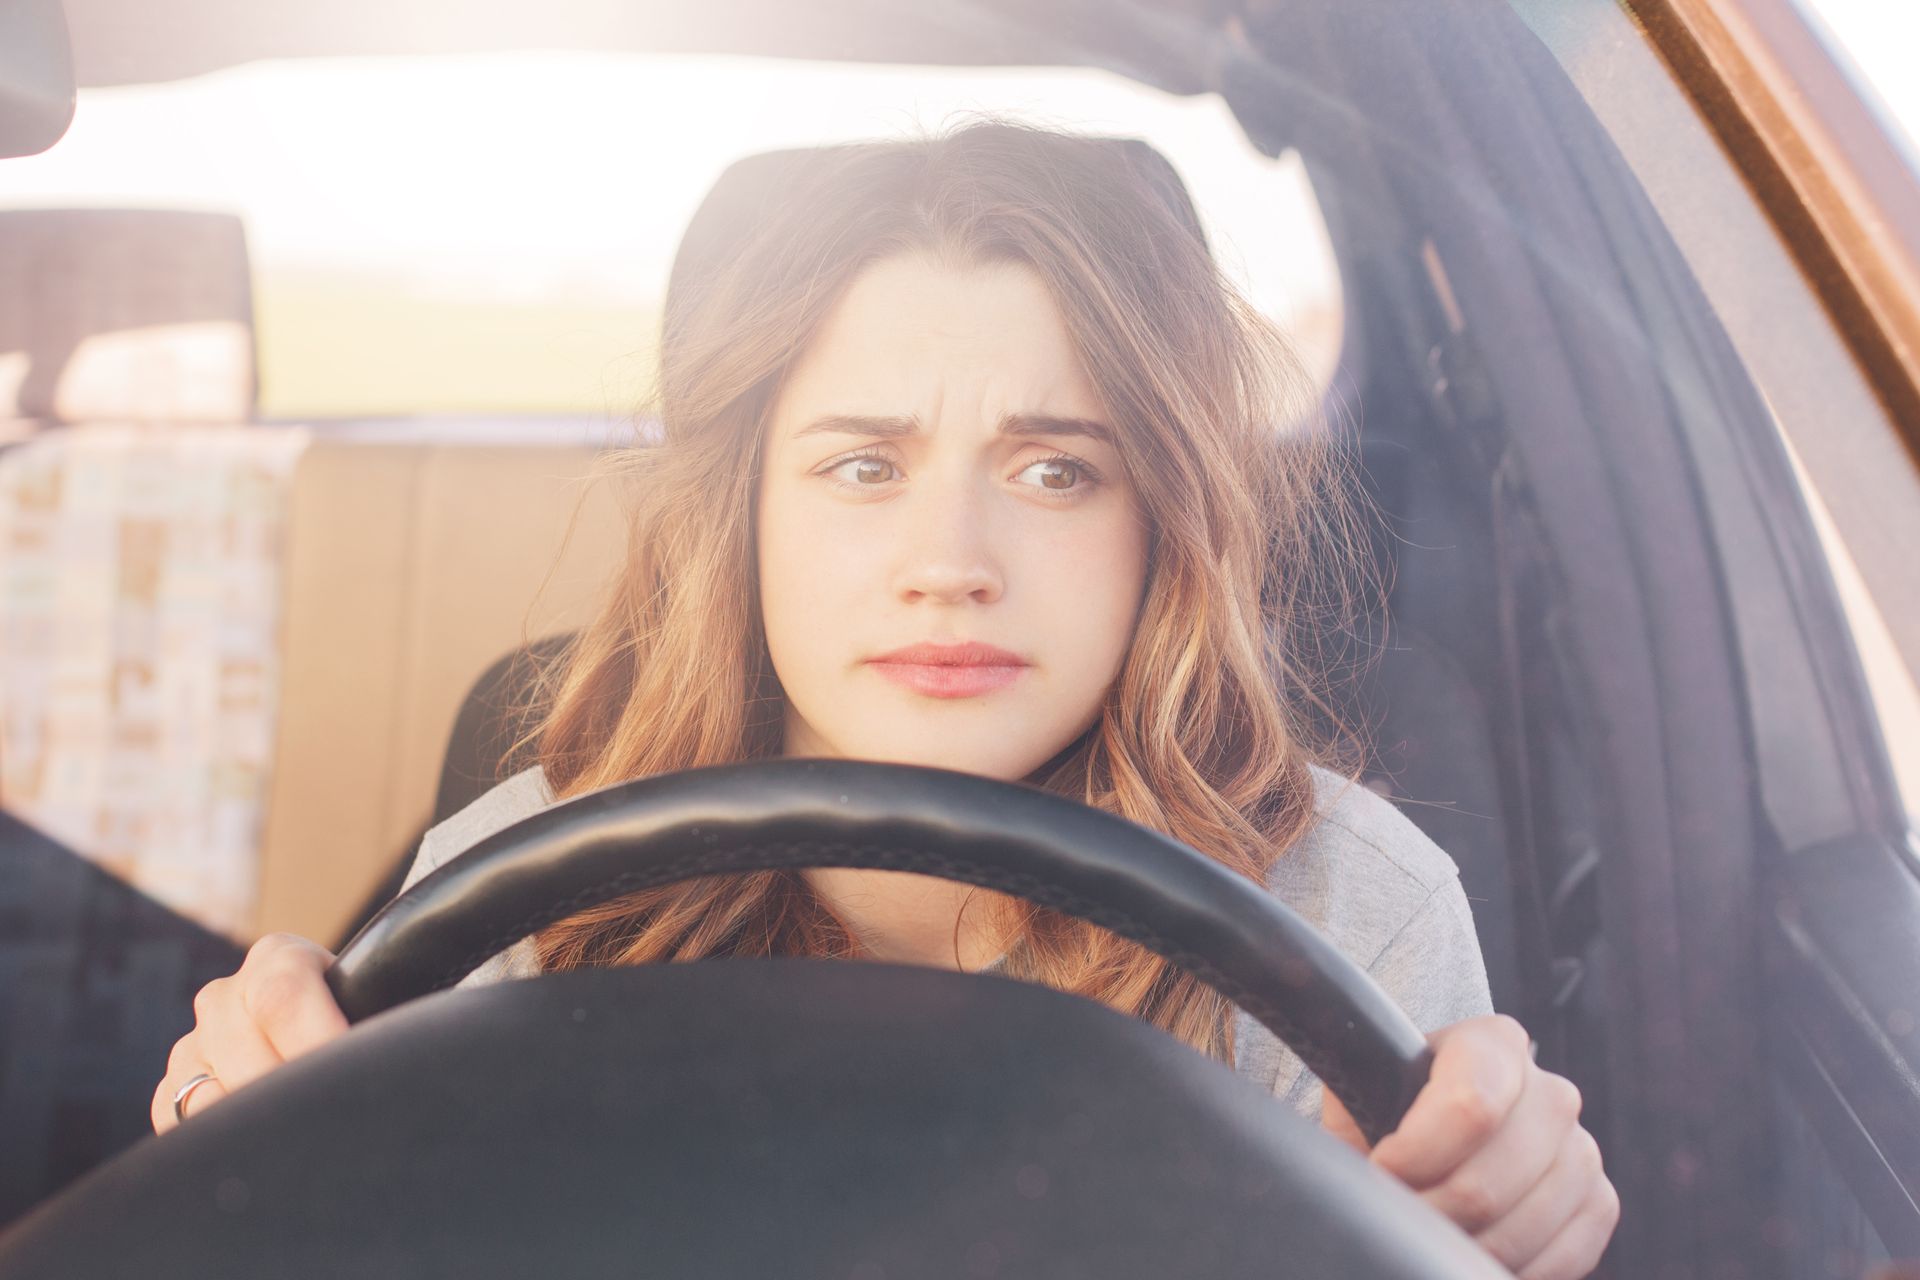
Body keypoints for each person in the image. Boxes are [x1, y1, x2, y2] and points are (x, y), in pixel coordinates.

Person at [152, 118, 1618, 1277]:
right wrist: (235, 1142)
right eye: (865, 465)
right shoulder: (513, 884)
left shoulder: (1348, 918)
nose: (950, 563)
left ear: (1161, 521)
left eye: (1057, 470)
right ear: (748, 515)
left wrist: (1498, 1225)